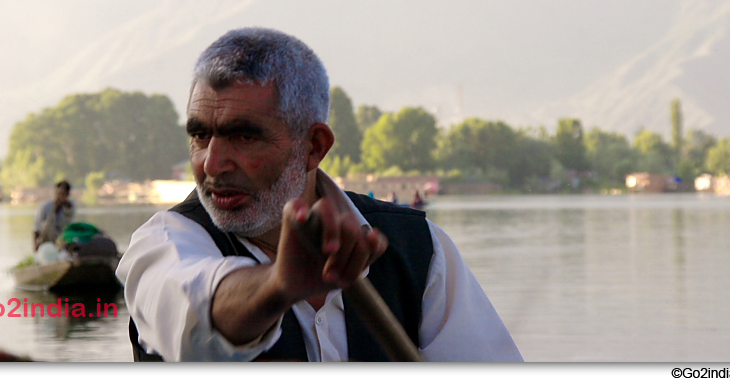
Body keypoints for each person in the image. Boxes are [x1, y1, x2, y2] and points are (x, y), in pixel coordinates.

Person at [116, 28, 522, 362]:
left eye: (244, 136)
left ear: (314, 146)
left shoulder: (421, 248)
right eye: (200, 135)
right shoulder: (162, 246)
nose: (212, 163)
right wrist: (279, 285)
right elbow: (197, 312)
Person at [33, 180, 75, 251]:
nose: (59, 197)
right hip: (46, 242)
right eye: (58, 193)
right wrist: (35, 244)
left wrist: (59, 207)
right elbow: (36, 227)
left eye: (62, 194)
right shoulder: (45, 207)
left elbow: (68, 219)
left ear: (67, 195)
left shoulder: (70, 207)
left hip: (62, 243)